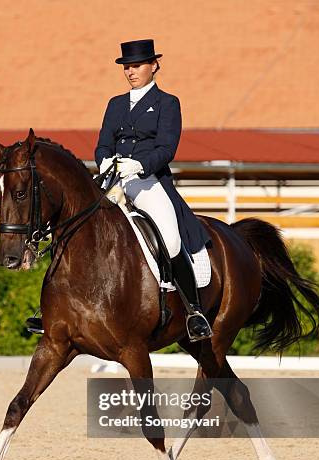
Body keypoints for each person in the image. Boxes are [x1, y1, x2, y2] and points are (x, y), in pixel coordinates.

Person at [95, 39, 213, 342]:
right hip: (113, 180)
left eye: (136, 66)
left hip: (148, 181)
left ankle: (194, 312)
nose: (131, 72)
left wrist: (138, 165)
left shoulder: (167, 103)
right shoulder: (115, 104)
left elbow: (167, 148)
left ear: (154, 65)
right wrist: (105, 159)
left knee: (171, 240)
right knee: (76, 224)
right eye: (127, 67)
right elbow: (103, 142)